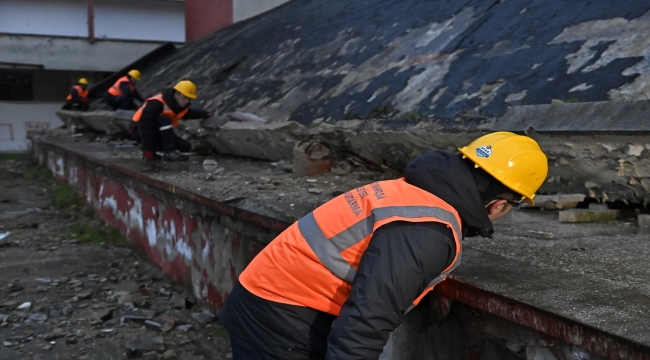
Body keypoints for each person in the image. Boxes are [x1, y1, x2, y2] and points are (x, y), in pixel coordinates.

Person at [219, 132, 549, 360]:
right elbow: (366, 319)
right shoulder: (427, 231)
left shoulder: (412, 192)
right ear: (499, 203)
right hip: (283, 323)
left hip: (270, 303)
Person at [131, 80, 213, 162]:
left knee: (185, 146)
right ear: (176, 94)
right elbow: (145, 127)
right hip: (138, 130)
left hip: (155, 131)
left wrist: (206, 114)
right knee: (164, 119)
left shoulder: (176, 104)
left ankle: (161, 150)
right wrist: (148, 150)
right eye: (185, 97)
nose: (187, 101)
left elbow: (189, 113)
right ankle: (169, 152)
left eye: (189, 98)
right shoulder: (156, 103)